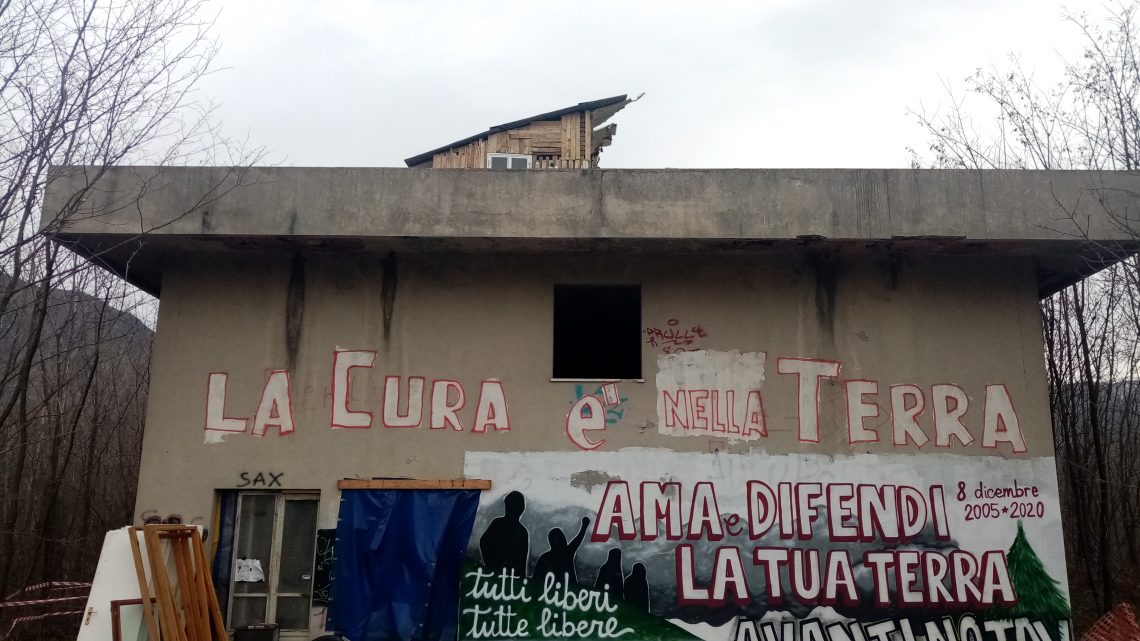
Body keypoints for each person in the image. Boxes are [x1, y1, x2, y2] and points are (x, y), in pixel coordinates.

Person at [479, 491, 529, 576]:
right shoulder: (498, 524)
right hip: (503, 574)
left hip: (508, 576)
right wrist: (491, 565)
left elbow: (522, 561)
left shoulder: (521, 531)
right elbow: (484, 542)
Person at [532, 516, 590, 588]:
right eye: (559, 539)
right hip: (566, 592)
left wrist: (584, 527)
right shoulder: (566, 553)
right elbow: (577, 541)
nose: (561, 541)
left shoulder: (546, 557)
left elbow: (535, 578)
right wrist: (584, 526)